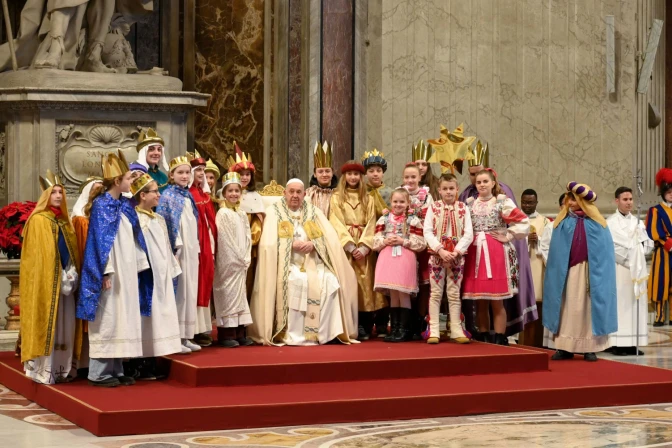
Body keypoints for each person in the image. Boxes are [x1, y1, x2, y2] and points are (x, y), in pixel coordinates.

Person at [249, 179, 358, 345]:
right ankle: (290, 333)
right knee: (297, 281)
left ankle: (325, 333)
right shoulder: (273, 212)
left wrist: (314, 244)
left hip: (313, 262)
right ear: (284, 193)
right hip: (286, 265)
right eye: (291, 192)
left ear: (304, 194)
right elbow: (267, 244)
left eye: (298, 192)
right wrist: (289, 245)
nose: (294, 196)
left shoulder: (313, 212)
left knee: (331, 280)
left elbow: (329, 239)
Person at [77, 150, 153, 387]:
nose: (133, 182)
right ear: (117, 181)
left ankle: (117, 368)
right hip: (111, 271)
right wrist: (105, 271)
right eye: (129, 178)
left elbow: (133, 237)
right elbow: (99, 241)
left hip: (128, 270)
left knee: (124, 317)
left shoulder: (125, 205)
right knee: (108, 317)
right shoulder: (102, 205)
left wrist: (141, 265)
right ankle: (99, 372)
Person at [458, 144, 538, 339]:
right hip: (476, 252)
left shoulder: (502, 202)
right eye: (478, 182)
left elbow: (522, 222)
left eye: (485, 181)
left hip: (496, 252)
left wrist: (508, 235)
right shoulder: (469, 204)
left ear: (493, 183)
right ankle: (484, 335)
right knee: (481, 300)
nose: (482, 185)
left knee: (497, 299)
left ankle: (500, 337)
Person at [543, 182, 617, 361]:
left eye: (574, 199)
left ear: (583, 201)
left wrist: (596, 269)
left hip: (590, 273)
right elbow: (556, 252)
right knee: (567, 309)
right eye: (569, 199)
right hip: (567, 274)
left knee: (588, 309)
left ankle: (589, 348)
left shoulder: (598, 224)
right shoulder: (563, 222)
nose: (570, 202)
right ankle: (564, 347)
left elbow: (605, 253)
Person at [20, 171, 81, 384]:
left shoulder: (65, 222)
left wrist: (71, 272)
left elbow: (71, 251)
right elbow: (39, 256)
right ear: (46, 196)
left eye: (61, 192)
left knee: (66, 324)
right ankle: (43, 369)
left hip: (66, 282)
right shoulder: (38, 221)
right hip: (47, 284)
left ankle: (62, 368)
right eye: (53, 192)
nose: (58, 196)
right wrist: (56, 275)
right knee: (48, 323)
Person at [133, 174, 184, 377]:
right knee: (147, 317)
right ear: (142, 195)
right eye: (154, 191)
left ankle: (154, 357)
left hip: (161, 277)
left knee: (160, 316)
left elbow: (165, 246)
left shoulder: (159, 219)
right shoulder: (135, 219)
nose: (158, 194)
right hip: (146, 276)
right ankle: (141, 361)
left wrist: (172, 267)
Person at [156, 155, 202, 353]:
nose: (184, 176)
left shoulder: (187, 195)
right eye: (180, 172)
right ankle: (176, 337)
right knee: (180, 293)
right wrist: (175, 249)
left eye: (187, 172)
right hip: (178, 253)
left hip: (191, 251)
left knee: (190, 292)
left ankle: (186, 335)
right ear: (171, 175)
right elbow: (166, 224)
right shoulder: (167, 196)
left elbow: (193, 223)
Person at [329, 161, 378, 340]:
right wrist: (349, 245)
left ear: (361, 177)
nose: (353, 177)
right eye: (349, 174)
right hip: (347, 246)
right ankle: (350, 322)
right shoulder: (336, 198)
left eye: (356, 174)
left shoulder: (369, 198)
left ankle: (365, 324)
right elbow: (335, 221)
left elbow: (372, 222)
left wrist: (365, 246)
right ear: (344, 177)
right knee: (348, 282)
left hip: (363, 246)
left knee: (365, 285)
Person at [423, 173, 474, 344]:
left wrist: (457, 251)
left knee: (453, 293)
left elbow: (468, 233)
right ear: (439, 190)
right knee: (436, 293)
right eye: (445, 189)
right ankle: (434, 329)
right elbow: (427, 231)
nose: (448, 192)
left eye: (451, 188)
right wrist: (440, 250)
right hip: (437, 256)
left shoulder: (463, 208)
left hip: (456, 257)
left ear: (457, 189)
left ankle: (456, 329)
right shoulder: (434, 207)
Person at [373, 188, 426, 342]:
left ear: (408, 203)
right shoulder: (384, 219)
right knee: (394, 293)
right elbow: (375, 240)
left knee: (403, 293)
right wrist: (385, 241)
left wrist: (404, 241)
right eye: (395, 201)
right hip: (388, 257)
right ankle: (395, 328)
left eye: (402, 202)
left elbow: (421, 243)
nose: (398, 205)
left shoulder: (412, 220)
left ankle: (404, 329)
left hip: (405, 256)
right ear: (391, 202)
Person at [607, 187, 653, 356]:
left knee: (635, 305)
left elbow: (648, 244)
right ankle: (617, 344)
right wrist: (631, 254)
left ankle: (633, 342)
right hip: (620, 270)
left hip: (637, 271)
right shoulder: (610, 222)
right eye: (625, 199)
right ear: (616, 201)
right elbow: (610, 247)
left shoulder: (638, 223)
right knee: (620, 305)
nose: (629, 203)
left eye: (631, 199)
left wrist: (640, 245)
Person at [214, 172, 253, 347]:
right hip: (229, 262)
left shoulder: (242, 214)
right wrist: (237, 257)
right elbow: (225, 240)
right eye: (230, 191)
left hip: (241, 261)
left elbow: (247, 237)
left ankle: (239, 330)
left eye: (237, 191)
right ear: (224, 193)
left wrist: (246, 255)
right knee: (228, 294)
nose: (234, 194)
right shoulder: (223, 213)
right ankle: (226, 333)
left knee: (240, 295)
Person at [226, 142, 265, 303]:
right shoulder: (226, 196)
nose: (244, 177)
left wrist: (250, 241)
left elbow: (258, 223)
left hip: (249, 247)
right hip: (229, 245)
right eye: (241, 174)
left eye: (247, 174)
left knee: (247, 280)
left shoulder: (255, 197)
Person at [362, 149, 392, 337]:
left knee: (383, 283)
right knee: (366, 281)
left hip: (384, 243)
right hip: (365, 240)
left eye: (378, 170)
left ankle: (382, 322)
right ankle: (365, 323)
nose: (375, 174)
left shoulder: (390, 193)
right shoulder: (361, 193)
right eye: (371, 170)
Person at [188, 151, 216, 347]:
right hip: (196, 246)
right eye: (198, 170)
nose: (201, 173)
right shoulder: (189, 194)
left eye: (203, 170)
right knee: (195, 284)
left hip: (208, 245)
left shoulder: (204, 194)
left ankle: (203, 328)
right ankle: (192, 330)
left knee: (205, 282)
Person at [402, 163, 433, 338]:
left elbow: (432, 218)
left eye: (413, 177)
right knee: (406, 284)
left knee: (423, 285)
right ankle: (406, 321)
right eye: (407, 177)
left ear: (420, 177)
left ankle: (420, 321)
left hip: (422, 243)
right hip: (404, 244)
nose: (410, 180)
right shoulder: (399, 194)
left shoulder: (427, 196)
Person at [518, 188, 551, 347]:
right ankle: (518, 340)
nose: (527, 205)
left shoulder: (544, 222)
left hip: (537, 267)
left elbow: (548, 246)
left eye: (530, 202)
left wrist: (537, 241)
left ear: (536, 203)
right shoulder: (515, 220)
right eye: (524, 202)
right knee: (519, 302)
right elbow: (510, 241)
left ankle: (536, 342)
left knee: (537, 303)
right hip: (520, 267)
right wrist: (524, 239)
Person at [646, 168, 672, 327]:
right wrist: (668, 244)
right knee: (661, 283)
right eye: (668, 191)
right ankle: (660, 316)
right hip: (663, 252)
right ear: (663, 192)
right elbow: (653, 231)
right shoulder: (654, 210)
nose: (671, 194)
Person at [305, 141, 338, 216]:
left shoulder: (340, 193)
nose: (324, 174)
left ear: (332, 172)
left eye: (327, 171)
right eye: (320, 172)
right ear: (315, 174)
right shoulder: (308, 194)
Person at [136, 128, 170, 193]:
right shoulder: (137, 174)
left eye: (159, 150)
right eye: (151, 149)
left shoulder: (163, 176)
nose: (156, 153)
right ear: (143, 152)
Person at [538, 193, 566, 264]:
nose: (569, 206)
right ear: (560, 207)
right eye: (565, 203)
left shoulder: (582, 225)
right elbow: (545, 248)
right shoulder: (551, 226)